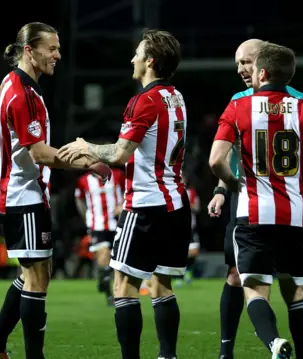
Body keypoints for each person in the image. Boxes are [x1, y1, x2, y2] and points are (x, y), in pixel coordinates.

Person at [0, 22, 110, 359]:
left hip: (22, 193)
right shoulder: (22, 94)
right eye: (51, 48)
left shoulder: (16, 86)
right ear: (29, 50)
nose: (57, 55)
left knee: (34, 273)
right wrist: (88, 161)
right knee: (37, 278)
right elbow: (38, 152)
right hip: (24, 195)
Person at [58, 29, 190, 359]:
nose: (132, 59)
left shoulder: (143, 100)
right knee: (162, 286)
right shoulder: (177, 98)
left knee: (123, 287)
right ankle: (167, 356)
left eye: (137, 53)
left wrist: (85, 145)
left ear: (150, 61)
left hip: (145, 205)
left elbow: (119, 154)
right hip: (176, 204)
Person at [209, 42, 303, 359]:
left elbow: (216, 160)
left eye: (247, 64)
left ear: (262, 69)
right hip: (294, 214)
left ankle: (273, 342)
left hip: (253, 211)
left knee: (253, 287)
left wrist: (231, 184)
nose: (243, 70)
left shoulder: (239, 107)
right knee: (297, 289)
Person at [74, 166, 124, 304]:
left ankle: (105, 280)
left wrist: (122, 205)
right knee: (103, 255)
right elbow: (79, 199)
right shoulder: (83, 180)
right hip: (97, 226)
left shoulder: (118, 175)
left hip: (118, 223)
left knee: (117, 261)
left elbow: (130, 191)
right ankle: (109, 294)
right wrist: (86, 217)